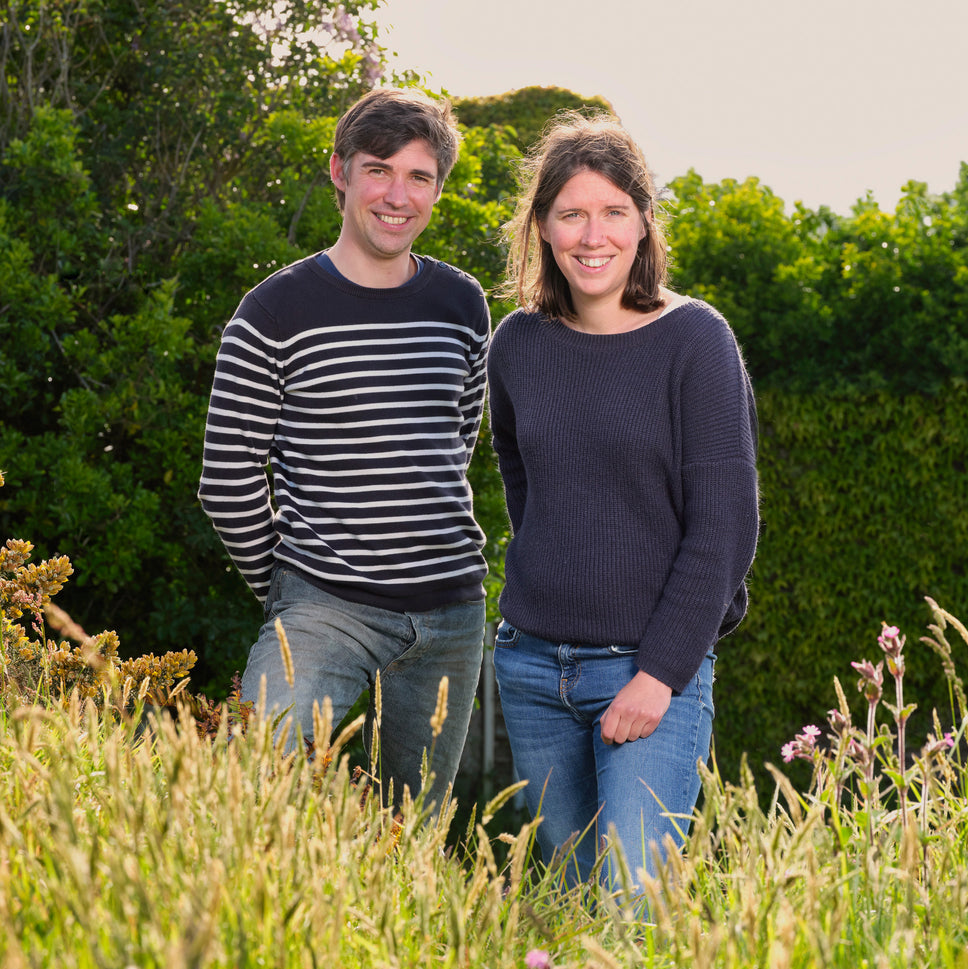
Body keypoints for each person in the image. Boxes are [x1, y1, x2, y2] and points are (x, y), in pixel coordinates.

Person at [198, 87, 491, 813]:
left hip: (452, 615)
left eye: (420, 177)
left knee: (408, 832)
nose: (398, 195)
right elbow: (227, 477)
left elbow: (458, 441)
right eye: (379, 169)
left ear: (437, 190)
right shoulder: (273, 311)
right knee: (256, 787)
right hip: (324, 609)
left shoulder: (462, 303)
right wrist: (289, 589)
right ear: (340, 172)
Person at [487, 112, 758, 891]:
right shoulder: (519, 345)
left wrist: (660, 673)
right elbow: (523, 479)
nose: (590, 234)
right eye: (570, 213)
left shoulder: (695, 340)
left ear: (643, 221)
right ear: (542, 227)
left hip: (648, 675)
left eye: (611, 211)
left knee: (633, 906)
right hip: (532, 670)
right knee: (570, 905)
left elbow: (724, 527)